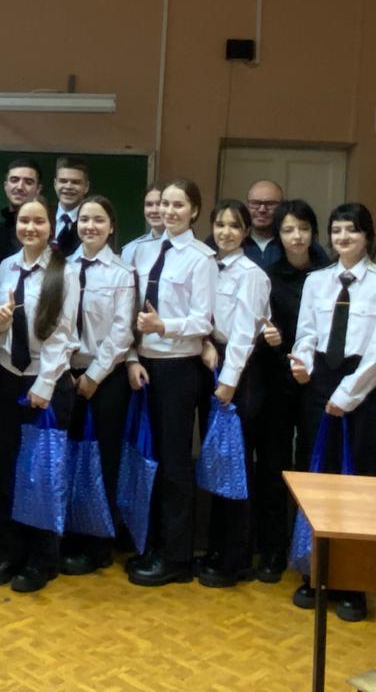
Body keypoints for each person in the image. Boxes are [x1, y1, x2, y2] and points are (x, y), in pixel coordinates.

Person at [289, 202, 376, 622]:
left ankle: (353, 584)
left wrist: (348, 394)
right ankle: (314, 572)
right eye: (336, 231)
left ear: (366, 235)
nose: (342, 238)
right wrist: (302, 363)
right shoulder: (317, 281)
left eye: (351, 230)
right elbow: (306, 334)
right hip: (318, 384)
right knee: (316, 480)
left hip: (362, 389)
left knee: (356, 485)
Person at [0, 197, 79, 593]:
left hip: (46, 383)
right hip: (6, 376)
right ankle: (10, 551)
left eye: (39, 221)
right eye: (24, 220)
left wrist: (45, 384)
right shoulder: (6, 266)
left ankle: (43, 558)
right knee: (5, 469)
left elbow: (64, 333)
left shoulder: (64, 271)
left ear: (51, 226)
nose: (30, 228)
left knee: (42, 474)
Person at [125, 179, 217, 587]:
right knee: (149, 458)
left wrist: (165, 326)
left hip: (179, 369)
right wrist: (132, 356)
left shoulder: (201, 259)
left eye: (179, 205)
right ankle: (153, 545)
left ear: (194, 211)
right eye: (164, 203)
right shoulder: (143, 251)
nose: (169, 211)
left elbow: (203, 320)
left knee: (175, 463)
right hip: (143, 366)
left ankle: (177, 557)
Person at [198, 199, 273, 589]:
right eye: (220, 224)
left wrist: (229, 382)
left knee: (234, 464)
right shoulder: (207, 265)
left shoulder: (252, 274)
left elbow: (245, 333)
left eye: (234, 226)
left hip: (239, 372)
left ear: (245, 232)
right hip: (211, 359)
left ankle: (236, 558)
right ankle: (216, 548)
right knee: (215, 460)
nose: (225, 232)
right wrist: (204, 343)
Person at [254, 199, 330, 584]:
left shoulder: (330, 273)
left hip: (318, 383)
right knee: (274, 465)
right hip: (277, 380)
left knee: (312, 465)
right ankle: (271, 549)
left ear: (313, 232)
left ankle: (311, 550)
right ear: (278, 236)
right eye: (288, 230)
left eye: (303, 228)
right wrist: (270, 339)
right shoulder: (268, 276)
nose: (296, 236)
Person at [60, 195, 136, 576]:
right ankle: (69, 536)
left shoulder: (122, 273)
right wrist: (66, 371)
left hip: (105, 379)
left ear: (111, 227)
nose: (90, 226)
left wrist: (93, 376)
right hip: (64, 374)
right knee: (69, 457)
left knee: (102, 461)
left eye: (99, 220)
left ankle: (98, 544)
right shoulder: (63, 267)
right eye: (85, 219)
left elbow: (122, 333)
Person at [0, 158, 42, 275]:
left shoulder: (46, 231)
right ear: (6, 186)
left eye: (28, 182)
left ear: (38, 189)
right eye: (14, 180)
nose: (20, 187)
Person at [51, 156, 90, 257]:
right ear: (55, 184)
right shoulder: (43, 216)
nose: (68, 186)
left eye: (75, 182)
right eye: (63, 181)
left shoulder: (92, 222)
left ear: (86, 187)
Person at [121, 183, 164, 264]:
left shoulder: (186, 247)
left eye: (160, 204)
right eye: (149, 204)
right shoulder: (131, 250)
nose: (154, 210)